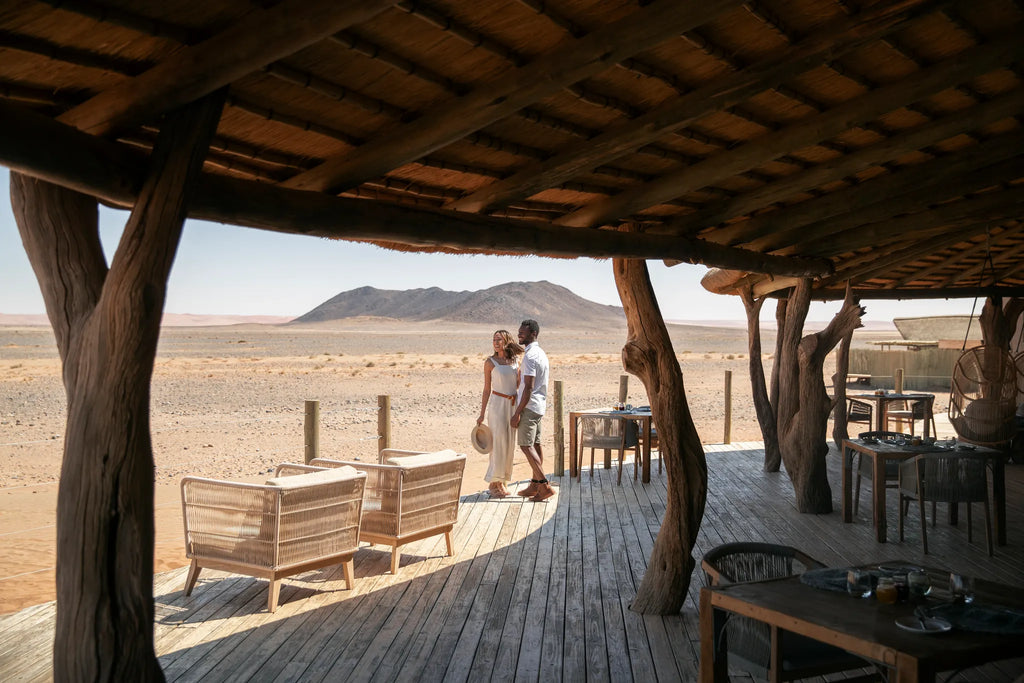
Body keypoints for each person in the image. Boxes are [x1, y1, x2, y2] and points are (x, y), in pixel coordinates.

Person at [476, 330, 523, 498]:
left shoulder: (515, 361)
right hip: (497, 405)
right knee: (498, 443)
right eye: (494, 340)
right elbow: (487, 389)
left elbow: (518, 385)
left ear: (507, 341)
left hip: (512, 404)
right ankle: (493, 483)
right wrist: (481, 414)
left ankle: (502, 481)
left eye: (499, 339)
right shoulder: (490, 362)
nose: (496, 342)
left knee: (509, 443)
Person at [511, 319, 552, 501]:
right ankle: (535, 485)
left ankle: (544, 486)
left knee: (526, 445)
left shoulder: (530, 356)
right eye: (519, 332)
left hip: (529, 406)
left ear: (533, 334)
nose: (519, 334)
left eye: (523, 333)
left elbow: (528, 387)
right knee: (535, 444)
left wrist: (517, 412)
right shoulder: (540, 353)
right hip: (538, 405)